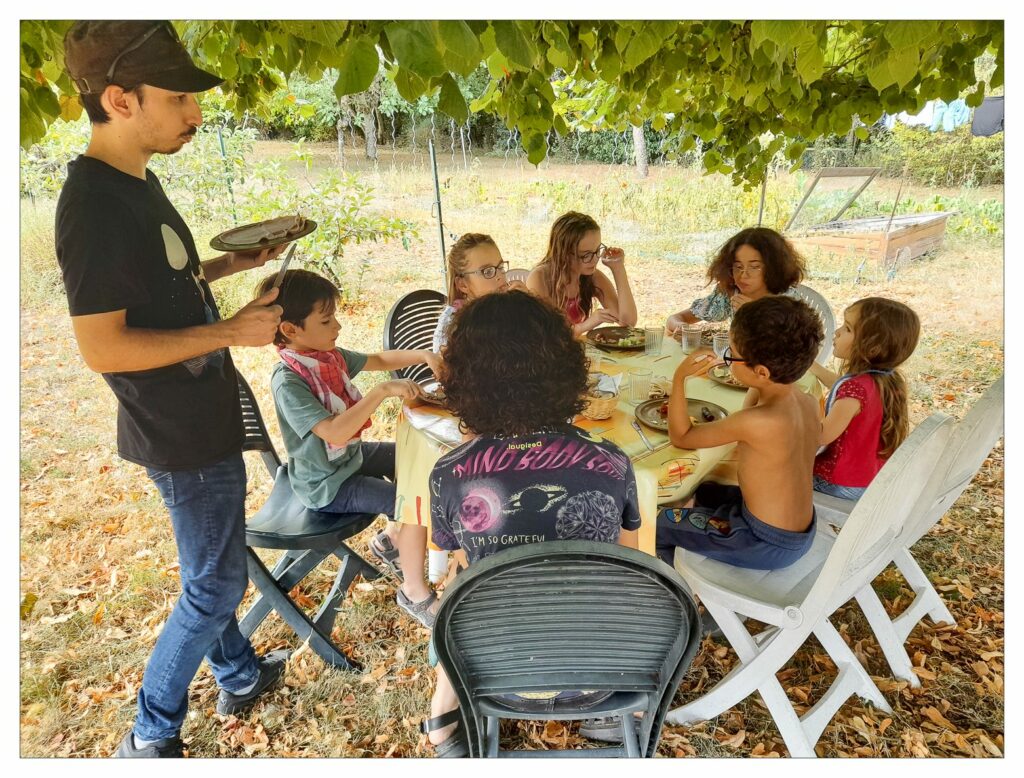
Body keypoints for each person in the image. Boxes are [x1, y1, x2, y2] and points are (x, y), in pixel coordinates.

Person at [55, 21, 293, 758]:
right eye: (179, 98)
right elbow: (102, 346)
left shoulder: (137, 182)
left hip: (195, 416)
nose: (196, 113)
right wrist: (229, 332)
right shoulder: (93, 206)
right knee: (214, 588)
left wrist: (230, 267)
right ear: (120, 100)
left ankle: (239, 674)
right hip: (178, 431)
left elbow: (161, 286)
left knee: (210, 565)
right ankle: (149, 736)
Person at [420, 290, 641, 756]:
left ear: (464, 379)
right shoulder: (613, 461)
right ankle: (616, 716)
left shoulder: (448, 473)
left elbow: (463, 564)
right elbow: (630, 567)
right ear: (566, 368)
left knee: (458, 587)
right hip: (602, 675)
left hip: (495, 675)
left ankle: (443, 714)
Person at [257, 269, 443, 626]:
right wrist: (381, 392)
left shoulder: (327, 357)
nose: (338, 326)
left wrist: (423, 356)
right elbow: (334, 430)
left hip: (348, 459)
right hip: (326, 483)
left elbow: (378, 360)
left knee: (413, 458)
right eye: (326, 320)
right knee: (410, 503)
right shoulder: (289, 380)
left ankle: (392, 541)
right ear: (290, 330)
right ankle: (415, 593)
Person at [656, 296, 823, 571]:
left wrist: (679, 379)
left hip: (761, 541)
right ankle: (692, 532)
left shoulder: (756, 421)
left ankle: (676, 589)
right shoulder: (807, 402)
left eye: (731, 355)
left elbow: (682, 436)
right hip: (796, 532)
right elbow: (754, 400)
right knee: (703, 487)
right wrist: (754, 379)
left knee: (656, 525)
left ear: (762, 372)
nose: (727, 360)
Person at [810, 298, 921, 500]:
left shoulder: (854, 390)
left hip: (837, 483)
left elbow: (821, 436)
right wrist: (813, 366)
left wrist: (801, 408)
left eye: (848, 329)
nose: (837, 332)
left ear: (872, 347)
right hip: (870, 480)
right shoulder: (885, 379)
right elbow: (839, 386)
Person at [664, 227, 805, 335]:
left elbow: (792, 349)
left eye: (755, 267)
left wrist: (756, 314)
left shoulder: (788, 300)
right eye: (738, 266)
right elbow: (675, 318)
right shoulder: (730, 294)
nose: (743, 275)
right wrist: (683, 328)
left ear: (774, 268)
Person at [526, 211, 638, 337]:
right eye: (586, 255)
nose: (594, 260)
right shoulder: (539, 278)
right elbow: (548, 337)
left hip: (574, 347)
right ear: (564, 254)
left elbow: (628, 322)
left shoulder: (593, 276)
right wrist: (585, 326)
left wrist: (618, 268)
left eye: (597, 251)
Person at [431, 232, 523, 352]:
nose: (500, 276)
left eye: (500, 267)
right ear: (463, 284)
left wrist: (528, 307)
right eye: (488, 272)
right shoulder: (454, 326)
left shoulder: (504, 306)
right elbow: (442, 362)